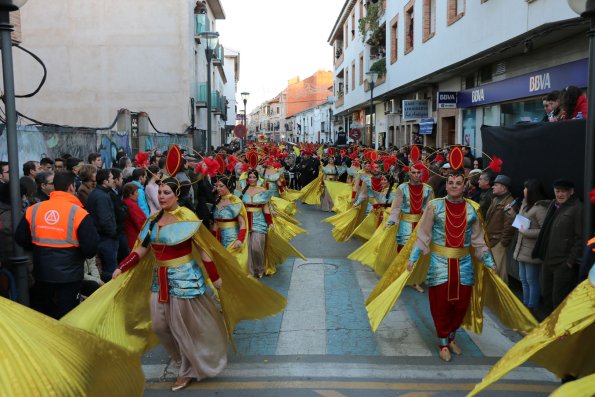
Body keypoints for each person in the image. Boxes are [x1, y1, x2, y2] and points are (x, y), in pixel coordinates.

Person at [113, 177, 228, 391]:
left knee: (182, 328)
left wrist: (215, 277)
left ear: (177, 195)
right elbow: (141, 248)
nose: (162, 196)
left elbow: (203, 249)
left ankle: (186, 371)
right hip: (161, 278)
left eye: (166, 193)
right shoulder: (153, 219)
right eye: (160, 192)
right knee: (159, 325)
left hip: (185, 279)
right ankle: (181, 360)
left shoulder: (187, 217)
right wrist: (123, 266)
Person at [405, 171, 497, 361]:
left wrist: (489, 261)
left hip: (464, 264)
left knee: (461, 304)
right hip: (439, 263)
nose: (454, 186)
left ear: (464, 186)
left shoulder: (473, 209)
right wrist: (412, 257)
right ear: (446, 186)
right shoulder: (434, 206)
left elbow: (478, 240)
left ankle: (452, 336)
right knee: (440, 305)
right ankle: (443, 342)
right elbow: (423, 234)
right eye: (451, 182)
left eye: (458, 183)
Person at [15, 171, 99, 318]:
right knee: (68, 316)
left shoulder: (34, 209)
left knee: (43, 315)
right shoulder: (79, 213)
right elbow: (90, 249)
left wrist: (38, 246)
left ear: (54, 187)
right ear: (72, 187)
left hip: (42, 273)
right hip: (70, 277)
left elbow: (20, 238)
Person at [532, 178, 582, 315]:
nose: (560, 194)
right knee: (546, 296)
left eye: (564, 191)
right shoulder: (555, 204)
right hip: (548, 260)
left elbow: (580, 238)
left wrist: (569, 262)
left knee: (558, 300)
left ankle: (558, 332)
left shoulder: (577, 208)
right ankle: (547, 329)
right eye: (557, 191)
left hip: (563, 264)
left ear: (571, 192)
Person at [386, 162, 434, 292]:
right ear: (409, 173)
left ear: (422, 173)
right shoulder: (402, 188)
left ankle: (415, 280)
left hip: (421, 225)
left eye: (419, 172)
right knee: (403, 251)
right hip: (405, 224)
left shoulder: (428, 189)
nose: (416, 175)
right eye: (414, 172)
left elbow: (431, 210)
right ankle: (400, 277)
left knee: (418, 252)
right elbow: (396, 207)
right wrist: (392, 220)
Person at [512, 179, 548, 314]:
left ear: (531, 191)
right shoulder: (526, 204)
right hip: (522, 248)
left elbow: (543, 230)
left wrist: (526, 232)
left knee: (532, 280)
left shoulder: (540, 209)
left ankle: (532, 307)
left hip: (532, 250)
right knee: (523, 279)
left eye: (525, 188)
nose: (523, 191)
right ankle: (525, 304)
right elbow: (521, 220)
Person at [238, 170, 273, 278]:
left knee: (256, 248)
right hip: (245, 222)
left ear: (258, 179)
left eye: (254, 177)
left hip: (259, 221)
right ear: (247, 178)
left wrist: (270, 222)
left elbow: (266, 208)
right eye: (250, 177)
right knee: (247, 248)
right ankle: (250, 271)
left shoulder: (263, 190)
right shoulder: (242, 191)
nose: (252, 179)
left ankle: (260, 268)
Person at [86, 169, 119, 282]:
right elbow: (105, 220)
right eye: (111, 178)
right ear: (105, 181)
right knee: (110, 272)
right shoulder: (101, 197)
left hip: (101, 237)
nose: (113, 180)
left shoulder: (97, 193)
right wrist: (113, 234)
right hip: (105, 239)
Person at [212, 174, 249, 273]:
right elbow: (216, 223)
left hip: (232, 238)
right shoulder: (217, 200)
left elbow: (242, 223)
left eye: (221, 186)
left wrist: (240, 240)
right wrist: (213, 240)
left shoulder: (235, 201)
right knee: (223, 268)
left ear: (228, 186)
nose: (218, 188)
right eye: (217, 186)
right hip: (219, 240)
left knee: (234, 266)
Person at [484, 174, 516, 282]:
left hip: (498, 242)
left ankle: (501, 296)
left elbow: (509, 224)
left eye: (496, 185)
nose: (493, 187)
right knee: (492, 272)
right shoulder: (496, 199)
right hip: (491, 240)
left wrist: (503, 242)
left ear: (503, 188)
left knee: (499, 274)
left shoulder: (509, 203)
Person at [122, 182, 147, 250]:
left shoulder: (125, 201)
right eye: (136, 192)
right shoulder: (132, 205)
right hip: (134, 237)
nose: (138, 194)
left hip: (129, 236)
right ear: (130, 194)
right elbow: (141, 222)